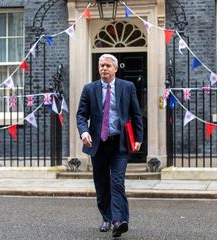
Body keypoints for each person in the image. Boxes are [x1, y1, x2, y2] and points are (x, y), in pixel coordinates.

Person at [76, 54, 143, 238]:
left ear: (115, 69)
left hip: (119, 143)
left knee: (117, 182)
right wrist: (84, 132)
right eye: (101, 66)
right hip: (98, 143)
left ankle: (118, 221)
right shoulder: (89, 89)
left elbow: (136, 114)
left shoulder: (127, 87)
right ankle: (107, 217)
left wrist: (139, 138)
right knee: (102, 183)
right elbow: (81, 115)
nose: (104, 69)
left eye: (107, 66)